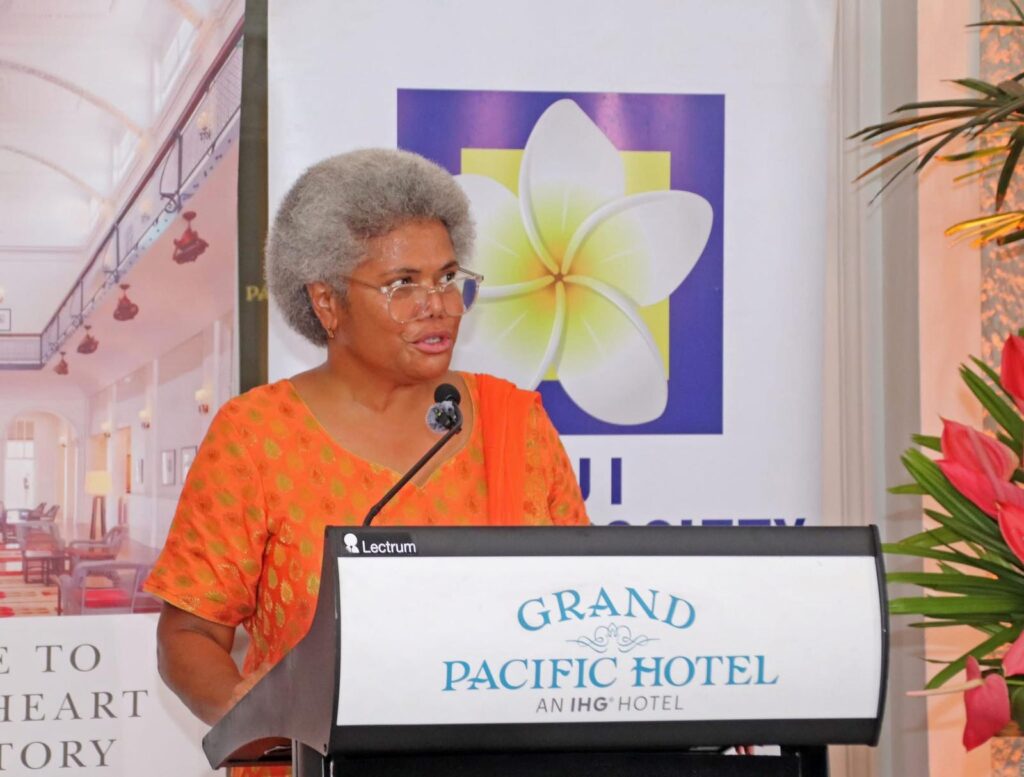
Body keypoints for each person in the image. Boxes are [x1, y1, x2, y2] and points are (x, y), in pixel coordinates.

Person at [143, 148, 589, 773]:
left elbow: (577, 607)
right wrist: (247, 713)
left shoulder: (516, 423)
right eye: (403, 284)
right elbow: (189, 633)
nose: (439, 305)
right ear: (327, 302)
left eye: (447, 277)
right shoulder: (257, 435)